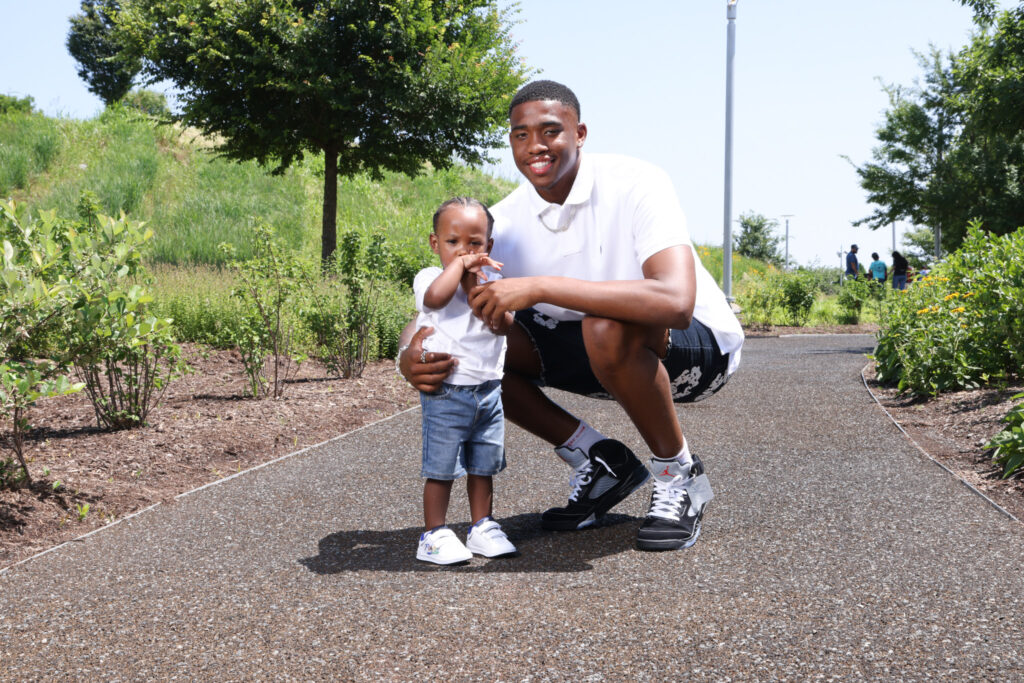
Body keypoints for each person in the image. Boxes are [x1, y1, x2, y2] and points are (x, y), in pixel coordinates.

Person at [399, 80, 744, 552]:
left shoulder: (636, 182)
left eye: (549, 131)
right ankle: (601, 460)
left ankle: (679, 474)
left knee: (604, 323)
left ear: (579, 133)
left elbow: (676, 302)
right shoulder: (501, 223)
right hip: (596, 350)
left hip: (696, 348)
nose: (534, 146)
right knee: (474, 352)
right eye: (520, 135)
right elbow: (443, 310)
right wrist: (409, 351)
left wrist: (540, 286)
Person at [411, 197, 518, 565]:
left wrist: (477, 277)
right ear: (434, 243)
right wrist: (458, 267)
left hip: (488, 391)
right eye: (453, 242)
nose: (464, 251)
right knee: (441, 468)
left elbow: (501, 324)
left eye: (474, 243)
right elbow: (436, 300)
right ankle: (433, 533)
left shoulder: (496, 281)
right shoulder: (429, 277)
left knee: (483, 465)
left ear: (488, 247)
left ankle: (481, 526)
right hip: (447, 392)